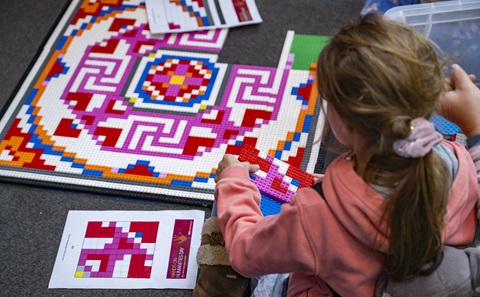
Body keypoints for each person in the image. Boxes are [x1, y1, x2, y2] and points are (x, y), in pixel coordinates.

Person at [214, 13, 480, 296]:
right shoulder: (458, 158)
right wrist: (475, 125)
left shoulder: (314, 216)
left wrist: (233, 182)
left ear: (343, 123)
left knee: (243, 258)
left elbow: (245, 252)